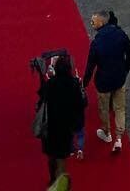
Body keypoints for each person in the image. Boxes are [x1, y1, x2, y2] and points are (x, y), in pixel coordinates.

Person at [83, 9, 130, 154]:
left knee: (104, 109)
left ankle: (106, 132)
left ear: (101, 23)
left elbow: (90, 66)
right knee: (120, 108)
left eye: (93, 21)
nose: (91, 23)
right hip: (119, 78)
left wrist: (84, 83)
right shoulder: (120, 34)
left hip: (103, 82)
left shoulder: (97, 43)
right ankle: (119, 138)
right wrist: (125, 69)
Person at [38, 53, 85, 187]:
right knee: (61, 159)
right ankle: (61, 184)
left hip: (50, 127)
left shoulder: (50, 84)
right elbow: (81, 104)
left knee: (51, 156)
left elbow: (42, 101)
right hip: (65, 128)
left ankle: (53, 179)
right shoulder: (73, 85)